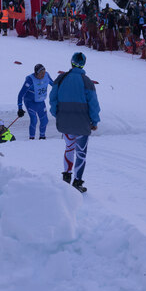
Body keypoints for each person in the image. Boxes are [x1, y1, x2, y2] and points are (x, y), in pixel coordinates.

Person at [49, 52, 100, 193]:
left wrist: (57, 114)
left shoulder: (61, 78)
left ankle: (66, 176)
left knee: (69, 147)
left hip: (65, 122)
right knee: (81, 153)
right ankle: (77, 182)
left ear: (71, 62)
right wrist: (95, 121)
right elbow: (93, 104)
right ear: (83, 64)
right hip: (82, 123)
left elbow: (52, 99)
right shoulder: (87, 81)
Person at [17, 63, 54, 139]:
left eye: (44, 72)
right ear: (36, 73)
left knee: (45, 121)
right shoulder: (30, 80)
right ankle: (32, 138)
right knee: (34, 120)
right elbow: (20, 95)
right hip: (30, 102)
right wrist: (20, 108)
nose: (43, 75)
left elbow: (54, 84)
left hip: (40, 102)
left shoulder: (46, 76)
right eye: (41, 73)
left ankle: (42, 137)